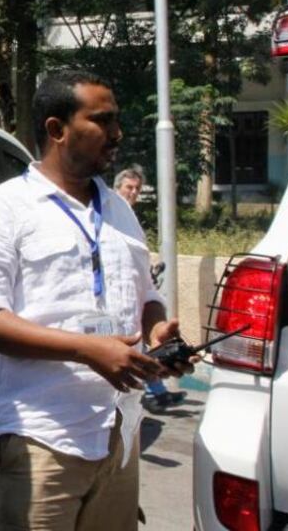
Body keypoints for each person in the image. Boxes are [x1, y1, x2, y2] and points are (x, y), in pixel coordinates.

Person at [0, 70, 190, 530]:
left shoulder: (119, 210)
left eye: (115, 120)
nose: (117, 134)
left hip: (119, 434)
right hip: (39, 436)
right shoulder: (5, 209)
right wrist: (87, 350)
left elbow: (147, 294)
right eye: (102, 121)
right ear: (57, 129)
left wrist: (158, 332)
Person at [113, 167, 187, 411]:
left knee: (147, 348)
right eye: (129, 188)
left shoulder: (131, 219)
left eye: (137, 189)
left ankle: (157, 393)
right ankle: (156, 394)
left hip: (135, 302)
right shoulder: (106, 215)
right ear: (117, 188)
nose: (133, 193)